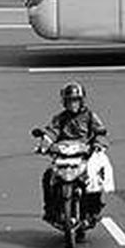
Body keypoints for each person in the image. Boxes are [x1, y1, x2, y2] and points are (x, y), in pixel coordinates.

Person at [41, 81, 109, 227]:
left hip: (83, 156)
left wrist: (98, 144)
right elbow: (51, 132)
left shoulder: (90, 116)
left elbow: (100, 132)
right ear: (64, 102)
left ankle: (93, 210)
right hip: (63, 155)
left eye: (76, 100)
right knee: (48, 176)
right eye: (70, 101)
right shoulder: (59, 118)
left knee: (94, 178)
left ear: (81, 101)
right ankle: (50, 210)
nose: (73, 104)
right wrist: (45, 143)